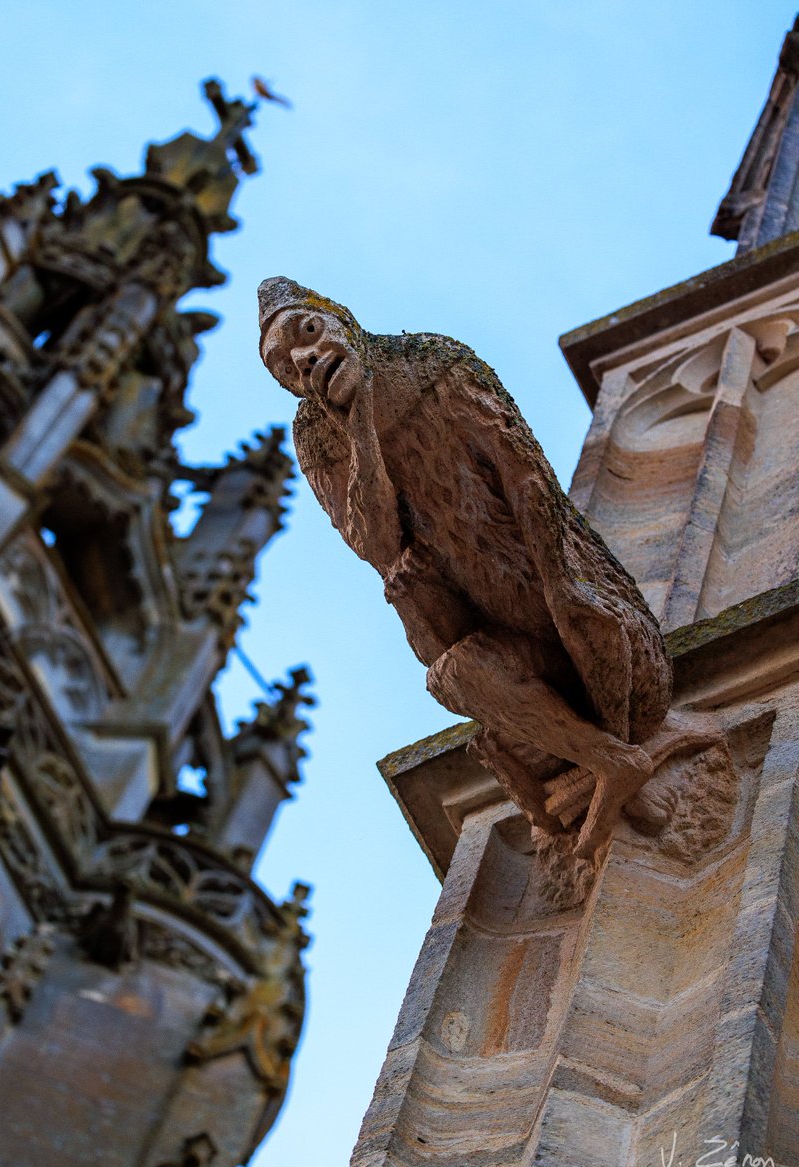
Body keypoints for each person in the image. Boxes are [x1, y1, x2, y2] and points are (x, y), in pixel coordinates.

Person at [259, 276, 673, 859]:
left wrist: (561, 581)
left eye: (306, 332)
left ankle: (612, 750)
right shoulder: (318, 438)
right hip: (507, 641)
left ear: (341, 319)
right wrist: (360, 427)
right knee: (449, 675)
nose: (303, 358)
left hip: (575, 608)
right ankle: (614, 763)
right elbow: (376, 544)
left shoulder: (434, 361)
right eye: (284, 368)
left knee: (588, 619)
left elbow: (525, 476)